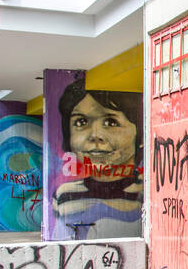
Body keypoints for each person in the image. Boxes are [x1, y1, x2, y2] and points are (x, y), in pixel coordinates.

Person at [51, 79, 143, 240]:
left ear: (141, 133)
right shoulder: (64, 195)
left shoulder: (146, 193)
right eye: (81, 122)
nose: (94, 136)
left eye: (110, 122)